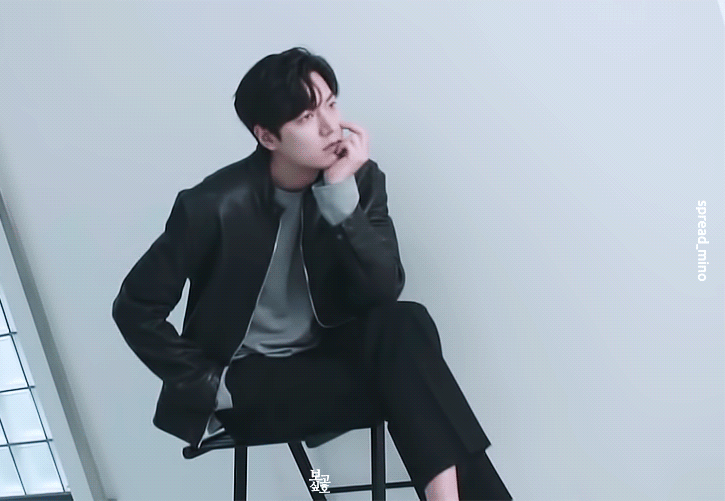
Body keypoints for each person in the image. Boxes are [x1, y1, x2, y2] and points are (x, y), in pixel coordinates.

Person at [112, 46, 512, 501]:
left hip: (324, 366)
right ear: (267, 137)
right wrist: (211, 386)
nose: (329, 127)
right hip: (251, 386)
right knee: (421, 388)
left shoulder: (359, 181)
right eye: (306, 117)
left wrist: (341, 200)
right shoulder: (212, 206)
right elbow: (134, 308)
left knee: (408, 324)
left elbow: (383, 291)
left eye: (331, 105)